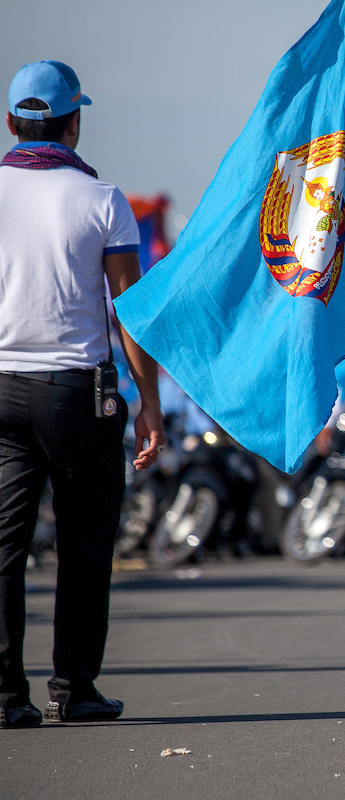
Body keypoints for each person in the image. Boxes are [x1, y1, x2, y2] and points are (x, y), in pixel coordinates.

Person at [0, 61, 165, 728]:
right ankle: (75, 687)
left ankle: (6, 696)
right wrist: (149, 401)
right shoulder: (103, 199)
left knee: (5, 548)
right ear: (73, 123)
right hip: (77, 392)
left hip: (3, 390)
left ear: (12, 123)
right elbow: (129, 309)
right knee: (85, 541)